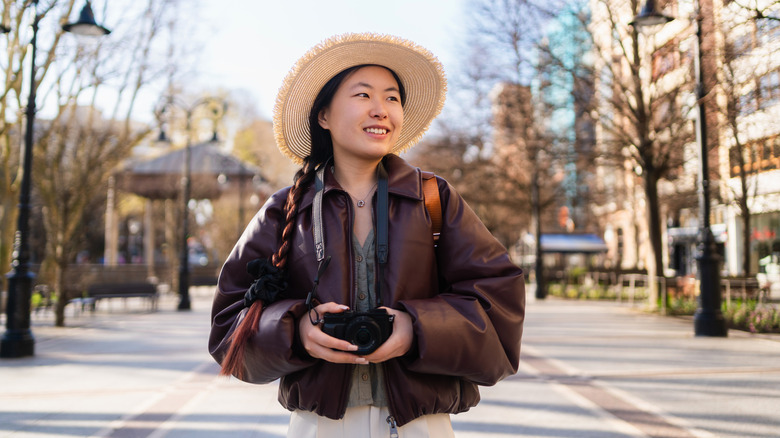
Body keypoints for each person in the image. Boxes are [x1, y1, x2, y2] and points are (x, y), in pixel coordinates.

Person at [209, 33, 525, 437]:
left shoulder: (434, 198)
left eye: (392, 98)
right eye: (363, 95)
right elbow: (227, 327)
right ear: (323, 115)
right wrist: (296, 330)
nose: (381, 110)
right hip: (318, 425)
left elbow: (501, 305)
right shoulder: (286, 208)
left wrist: (418, 329)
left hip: (422, 425)